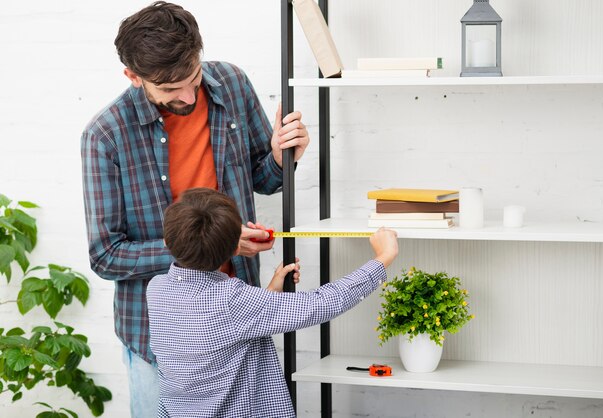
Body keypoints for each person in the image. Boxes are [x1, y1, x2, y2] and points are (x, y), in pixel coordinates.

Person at [80, 2, 310, 416]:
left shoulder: (232, 84)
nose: (188, 96)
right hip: (158, 338)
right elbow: (105, 255)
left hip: (237, 315)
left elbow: (264, 179)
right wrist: (212, 244)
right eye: (170, 90)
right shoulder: (105, 136)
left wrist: (281, 156)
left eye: (193, 77)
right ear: (133, 77)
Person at [146, 188, 399, 418]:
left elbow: (221, 337)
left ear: (167, 242)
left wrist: (270, 292)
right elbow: (320, 304)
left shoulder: (156, 289)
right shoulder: (232, 300)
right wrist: (383, 258)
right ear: (237, 248)